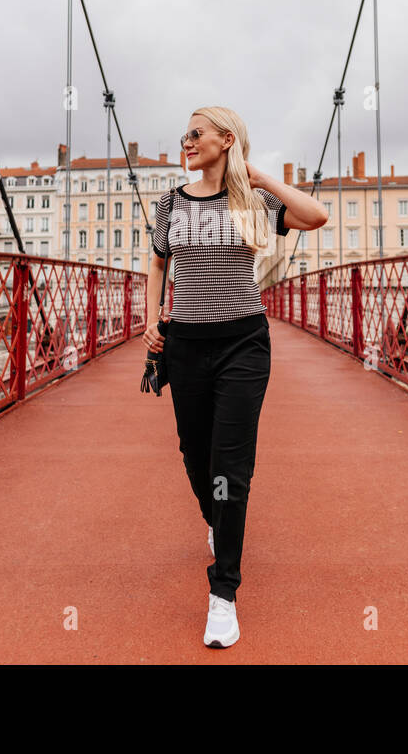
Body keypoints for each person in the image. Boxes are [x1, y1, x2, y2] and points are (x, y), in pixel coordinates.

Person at [143, 106, 328, 648]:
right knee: (193, 455)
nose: (186, 141)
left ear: (226, 140)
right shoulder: (168, 203)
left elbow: (316, 216)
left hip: (244, 344)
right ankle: (214, 517)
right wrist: (151, 319)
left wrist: (259, 175)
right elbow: (157, 264)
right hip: (186, 346)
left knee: (232, 466)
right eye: (184, 134)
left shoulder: (254, 202)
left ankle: (222, 594)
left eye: (196, 133)